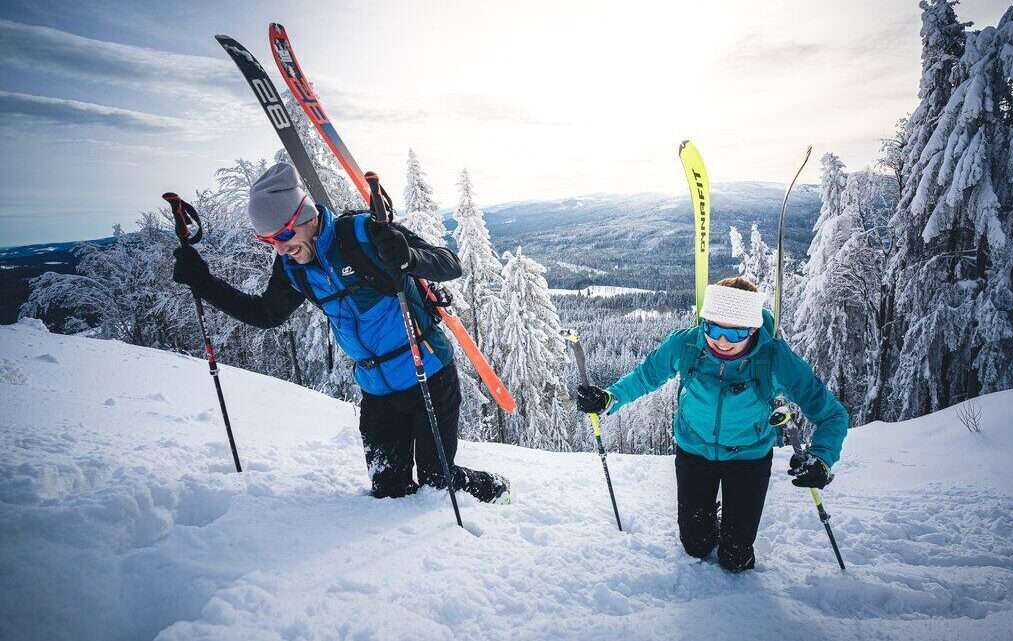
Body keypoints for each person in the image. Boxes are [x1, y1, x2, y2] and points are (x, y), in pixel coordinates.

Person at [172, 162, 510, 503]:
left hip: (429, 373)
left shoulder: (362, 234)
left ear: (305, 217)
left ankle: (496, 490)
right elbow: (266, 314)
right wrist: (204, 284)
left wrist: (406, 257)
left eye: (284, 235)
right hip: (377, 390)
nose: (280, 248)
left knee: (437, 481)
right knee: (388, 491)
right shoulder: (293, 268)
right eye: (268, 240)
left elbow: (449, 262)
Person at [576, 277, 848, 571]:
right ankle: (711, 522)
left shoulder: (774, 358)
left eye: (735, 334)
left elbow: (832, 415)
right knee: (696, 545)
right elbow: (646, 376)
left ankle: (734, 534)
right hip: (694, 452)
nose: (720, 341)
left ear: (753, 329)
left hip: (748, 458)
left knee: (736, 558)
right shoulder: (687, 344)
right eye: (713, 329)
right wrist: (609, 398)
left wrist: (822, 458)